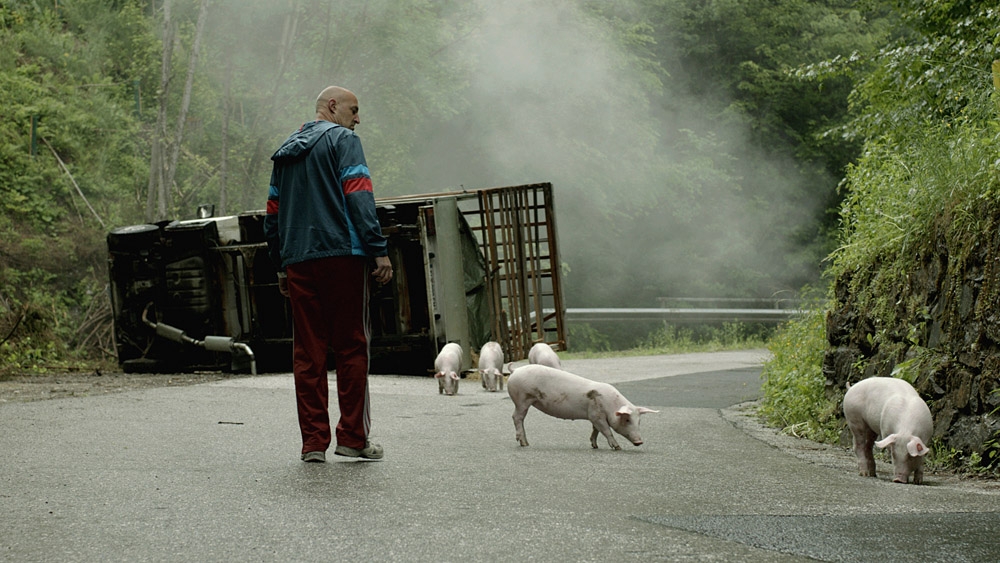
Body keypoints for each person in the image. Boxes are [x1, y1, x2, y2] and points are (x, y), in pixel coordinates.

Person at [264, 86, 393, 463]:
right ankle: (352, 437)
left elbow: (272, 214)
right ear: (333, 106)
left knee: (307, 352)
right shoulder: (344, 141)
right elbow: (359, 196)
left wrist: (281, 263)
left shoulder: (285, 151)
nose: (358, 119)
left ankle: (313, 444)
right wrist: (378, 249)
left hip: (298, 260)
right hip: (343, 256)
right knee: (352, 346)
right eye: (354, 110)